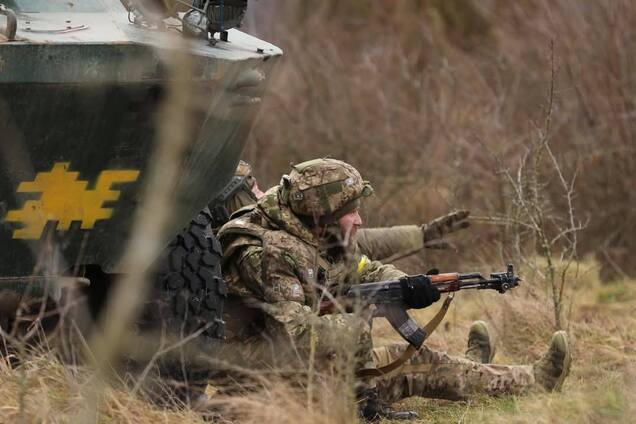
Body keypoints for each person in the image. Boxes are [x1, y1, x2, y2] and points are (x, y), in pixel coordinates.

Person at [216, 158, 571, 420]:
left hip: (299, 375)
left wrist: (405, 286)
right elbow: (295, 333)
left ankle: (478, 373)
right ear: (321, 211)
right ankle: (531, 380)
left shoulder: (314, 229)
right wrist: (354, 327)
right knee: (414, 363)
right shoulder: (264, 253)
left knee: (413, 362)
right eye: (350, 211)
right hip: (264, 396)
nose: (359, 219)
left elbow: (363, 270)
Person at [218, 160, 471, 263]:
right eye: (252, 191)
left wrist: (421, 235)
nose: (262, 195)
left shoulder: (281, 221)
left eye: (259, 186)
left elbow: (360, 241)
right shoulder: (248, 248)